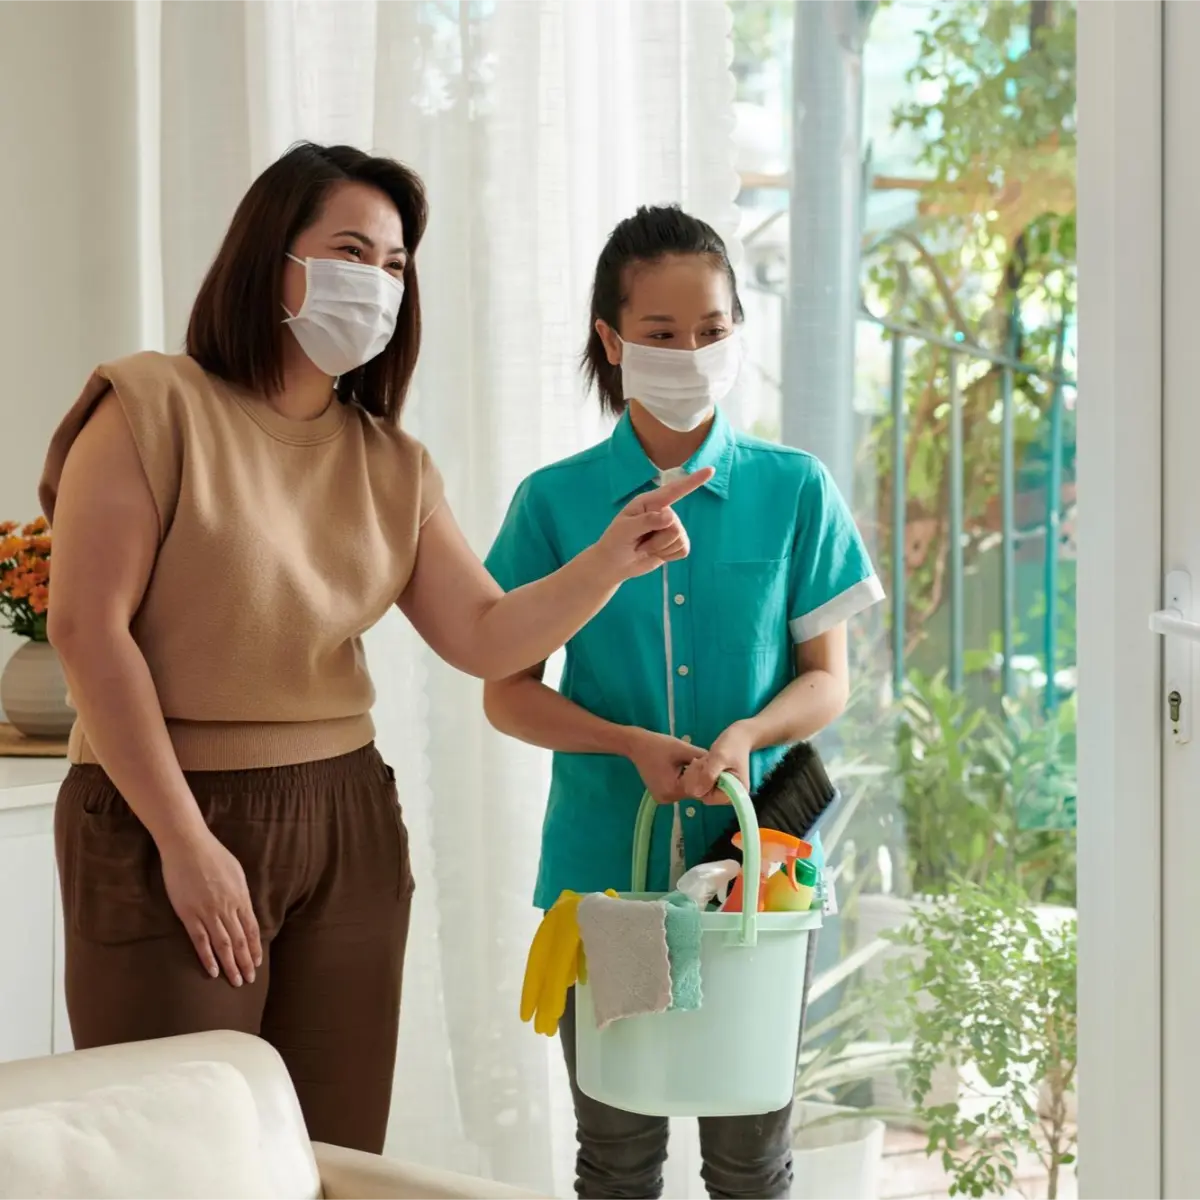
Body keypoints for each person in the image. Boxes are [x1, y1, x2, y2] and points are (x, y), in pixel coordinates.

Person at [38, 145, 710, 1155]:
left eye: (398, 265)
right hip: (163, 808)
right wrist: (184, 843)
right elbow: (88, 630)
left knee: (335, 1158)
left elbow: (486, 638)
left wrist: (612, 559)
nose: (381, 283)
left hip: (345, 820)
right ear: (274, 261)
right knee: (178, 1155)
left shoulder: (391, 464)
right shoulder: (150, 406)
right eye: (354, 250)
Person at [483, 205, 883, 1200]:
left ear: (738, 328)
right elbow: (507, 693)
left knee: (752, 1164)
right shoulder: (554, 503)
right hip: (605, 882)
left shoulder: (796, 491)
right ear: (612, 342)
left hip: (758, 882)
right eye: (662, 335)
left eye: (711, 329)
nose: (691, 351)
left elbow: (827, 676)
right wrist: (622, 742)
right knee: (616, 1163)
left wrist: (749, 732)